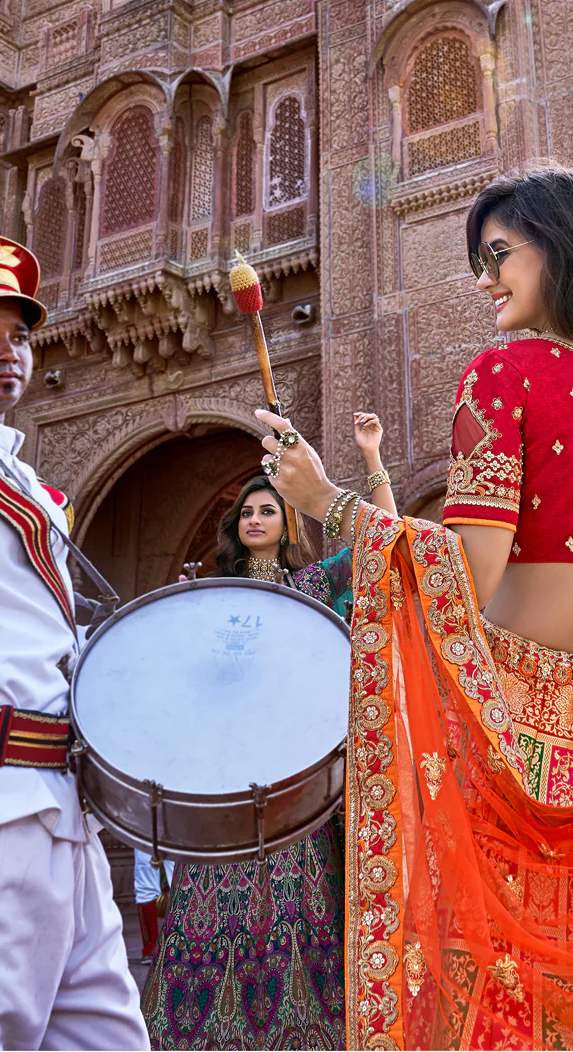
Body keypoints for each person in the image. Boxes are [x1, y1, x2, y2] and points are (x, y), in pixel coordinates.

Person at [258, 167, 573, 1050]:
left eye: (500, 255)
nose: (487, 280)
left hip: (522, 749)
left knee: (522, 1006)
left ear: (563, 248)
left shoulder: (506, 373)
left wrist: (330, 502)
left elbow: (472, 573)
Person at [141, 415, 395, 1050]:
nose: (255, 520)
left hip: (298, 778)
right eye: (246, 513)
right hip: (228, 778)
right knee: (208, 903)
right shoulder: (215, 600)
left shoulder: (313, 587)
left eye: (268, 510)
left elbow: (386, 543)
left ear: (288, 523)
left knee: (297, 900)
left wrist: (371, 460)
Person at [0, 232, 148, 1051]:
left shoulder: (19, 478)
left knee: (108, 1037)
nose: (8, 352)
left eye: (19, 335)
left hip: (63, 809)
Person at [134, 847, 175, 964]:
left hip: (174, 831)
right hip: (145, 832)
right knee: (145, 885)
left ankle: (185, 944)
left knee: (181, 880)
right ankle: (151, 948)